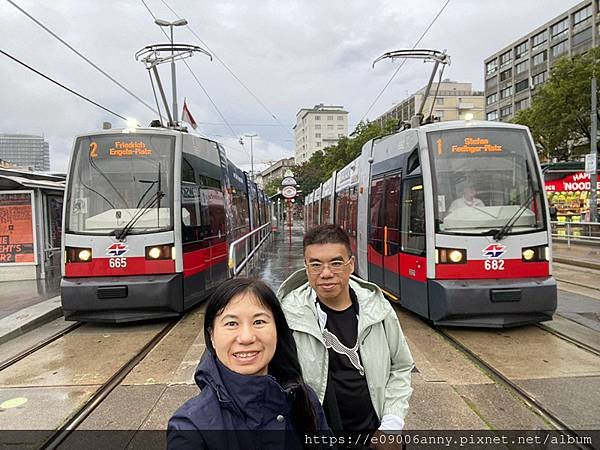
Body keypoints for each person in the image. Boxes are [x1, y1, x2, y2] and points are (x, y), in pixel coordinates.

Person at [278, 225, 414, 448]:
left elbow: (400, 367)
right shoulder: (288, 314)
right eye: (315, 264)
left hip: (374, 436)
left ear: (350, 264)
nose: (326, 273)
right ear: (306, 267)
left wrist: (391, 424)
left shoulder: (378, 310)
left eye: (336, 263)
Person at [168, 278, 331, 450]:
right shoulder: (190, 428)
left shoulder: (304, 399)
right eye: (231, 323)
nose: (246, 337)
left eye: (259, 322)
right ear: (212, 337)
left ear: (278, 330)